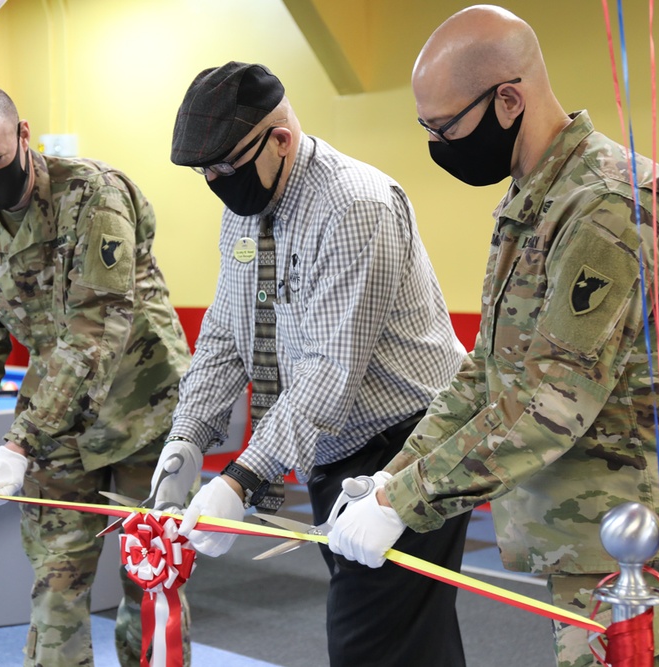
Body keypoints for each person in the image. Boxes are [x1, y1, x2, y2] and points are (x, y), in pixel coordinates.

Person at [327, 6, 659, 667]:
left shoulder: (606, 205)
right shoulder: (535, 200)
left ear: (508, 99)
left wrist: (407, 499)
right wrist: (388, 478)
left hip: (641, 541)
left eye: (444, 127)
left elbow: (551, 400)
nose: (436, 144)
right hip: (581, 532)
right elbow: (484, 373)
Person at [150, 61, 470, 667]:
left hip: (406, 446)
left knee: (371, 643)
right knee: (409, 638)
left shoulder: (354, 207)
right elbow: (225, 330)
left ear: (280, 140)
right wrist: (186, 442)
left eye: (225, 166)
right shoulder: (248, 203)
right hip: (334, 449)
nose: (217, 182)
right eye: (204, 172)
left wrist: (240, 480)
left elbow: (330, 369)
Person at [0, 83, 193, 667]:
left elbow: (94, 330)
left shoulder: (95, 196)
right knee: (56, 578)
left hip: (145, 406)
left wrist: (19, 441)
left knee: (151, 580)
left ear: (24, 134)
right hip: (58, 422)